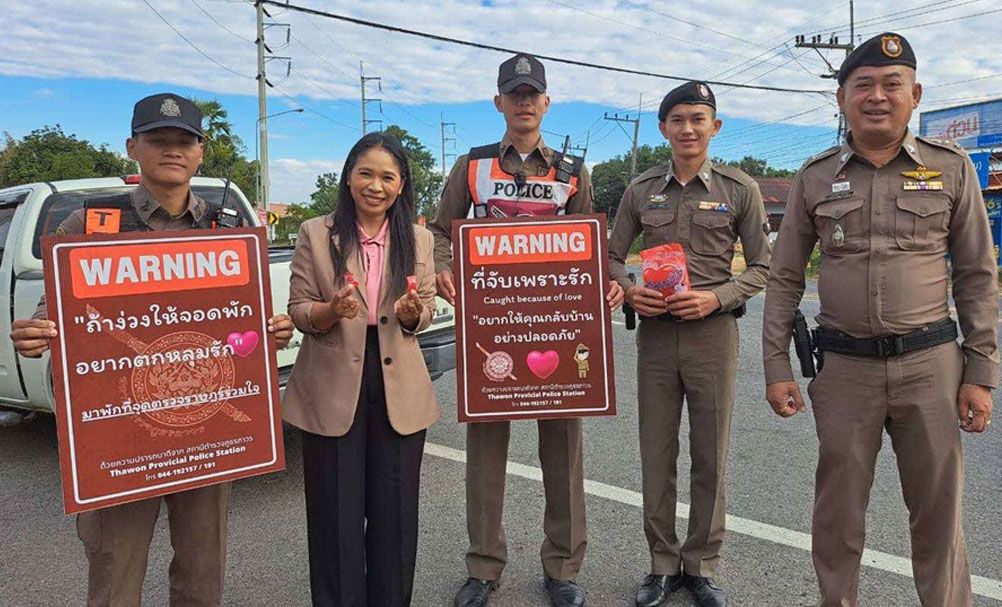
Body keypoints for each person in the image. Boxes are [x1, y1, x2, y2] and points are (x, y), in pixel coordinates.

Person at [9, 93, 295, 607]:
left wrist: (270, 330)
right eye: (157, 140)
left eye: (183, 141)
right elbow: (55, 314)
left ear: (200, 151)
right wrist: (36, 332)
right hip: (122, 436)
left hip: (206, 432)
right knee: (116, 573)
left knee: (202, 573)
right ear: (131, 147)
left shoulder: (227, 230)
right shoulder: (91, 227)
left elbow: (242, 326)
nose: (172, 151)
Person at [761, 32, 999, 607]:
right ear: (841, 99)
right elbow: (785, 275)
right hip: (844, 369)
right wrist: (775, 366)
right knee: (837, 518)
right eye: (862, 85)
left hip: (933, 367)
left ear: (914, 94)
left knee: (938, 517)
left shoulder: (951, 168)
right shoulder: (814, 177)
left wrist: (981, 371)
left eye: (892, 84)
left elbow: (976, 274)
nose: (877, 96)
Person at [429, 52, 623, 607]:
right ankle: (484, 567)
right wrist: (443, 266)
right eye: (513, 94)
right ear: (498, 103)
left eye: (532, 94)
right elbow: (442, 230)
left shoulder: (571, 171)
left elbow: (595, 245)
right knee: (486, 451)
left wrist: (610, 280)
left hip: (558, 328)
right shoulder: (472, 165)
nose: (523, 102)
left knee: (562, 451)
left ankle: (562, 568)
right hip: (491, 325)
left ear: (545, 102)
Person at [608, 81, 772, 607]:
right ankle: (660, 564)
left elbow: (766, 266)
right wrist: (631, 291)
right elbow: (608, 257)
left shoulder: (738, 188)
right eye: (677, 119)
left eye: (698, 119)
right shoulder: (640, 190)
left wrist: (718, 297)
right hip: (655, 338)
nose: (687, 128)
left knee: (710, 454)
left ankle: (700, 566)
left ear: (715, 127)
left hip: (712, 336)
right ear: (663, 128)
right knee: (656, 453)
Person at [282, 131, 439, 607]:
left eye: (388, 177)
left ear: (402, 185)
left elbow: (424, 310)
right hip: (331, 382)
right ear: (348, 177)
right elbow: (299, 309)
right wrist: (330, 311)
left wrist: (413, 312)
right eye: (366, 173)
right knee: (336, 516)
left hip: (398, 386)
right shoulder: (316, 231)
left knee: (394, 516)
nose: (376, 185)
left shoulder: (419, 237)